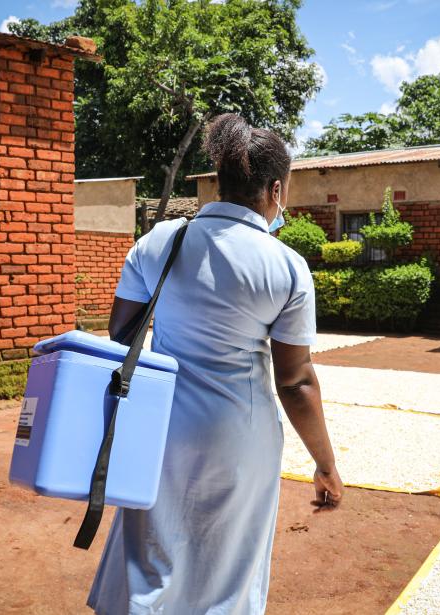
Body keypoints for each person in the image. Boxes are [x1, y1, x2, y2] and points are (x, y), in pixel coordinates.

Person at [87, 113, 344, 614]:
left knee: (151, 548)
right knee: (228, 564)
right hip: (239, 435)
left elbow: (122, 333)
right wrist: (326, 464)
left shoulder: (159, 241)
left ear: (219, 183)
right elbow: (294, 382)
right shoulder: (286, 267)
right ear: (276, 191)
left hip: (160, 425)